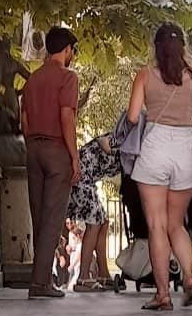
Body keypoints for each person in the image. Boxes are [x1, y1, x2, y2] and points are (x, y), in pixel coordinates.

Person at [127, 23, 192, 313]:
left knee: (156, 226)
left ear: (156, 47)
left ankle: (162, 295)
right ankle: (189, 277)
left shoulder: (145, 75)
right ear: (182, 47)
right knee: (176, 224)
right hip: (185, 150)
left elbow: (133, 115)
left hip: (155, 148)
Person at [20, 26, 80, 300]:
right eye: (72, 51)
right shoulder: (68, 78)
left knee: (38, 215)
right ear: (67, 50)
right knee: (53, 219)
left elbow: (25, 121)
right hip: (56, 149)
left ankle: (40, 279)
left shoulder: (32, 79)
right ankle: (40, 283)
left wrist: (32, 144)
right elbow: (67, 117)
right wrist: (73, 156)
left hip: (33, 148)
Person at [67, 129, 124, 290]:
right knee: (95, 223)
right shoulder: (121, 138)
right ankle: (83, 278)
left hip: (87, 180)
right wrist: (112, 150)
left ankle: (103, 274)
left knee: (103, 222)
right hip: (80, 177)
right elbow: (102, 141)